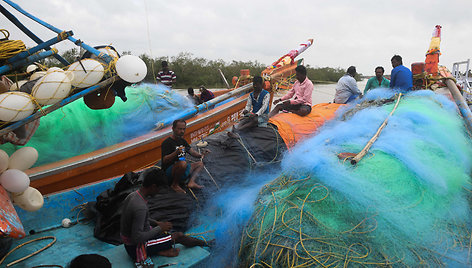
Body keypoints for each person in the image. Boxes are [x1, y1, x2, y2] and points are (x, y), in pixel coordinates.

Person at [120, 168, 208, 267]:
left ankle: (160, 250)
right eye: (159, 189)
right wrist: (159, 228)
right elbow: (137, 238)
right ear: (153, 186)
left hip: (129, 241)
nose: (158, 192)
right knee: (178, 236)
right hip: (135, 248)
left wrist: (157, 223)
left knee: (163, 231)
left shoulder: (133, 195)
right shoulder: (140, 207)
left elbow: (137, 219)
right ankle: (207, 244)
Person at [161, 120, 210, 193]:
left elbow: (191, 151)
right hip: (171, 172)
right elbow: (164, 160)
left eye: (183, 129)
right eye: (179, 129)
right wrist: (176, 153)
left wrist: (201, 155)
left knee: (200, 164)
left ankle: (191, 182)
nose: (182, 131)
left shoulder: (182, 141)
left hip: (183, 169)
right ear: (173, 129)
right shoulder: (167, 142)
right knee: (183, 163)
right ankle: (175, 185)